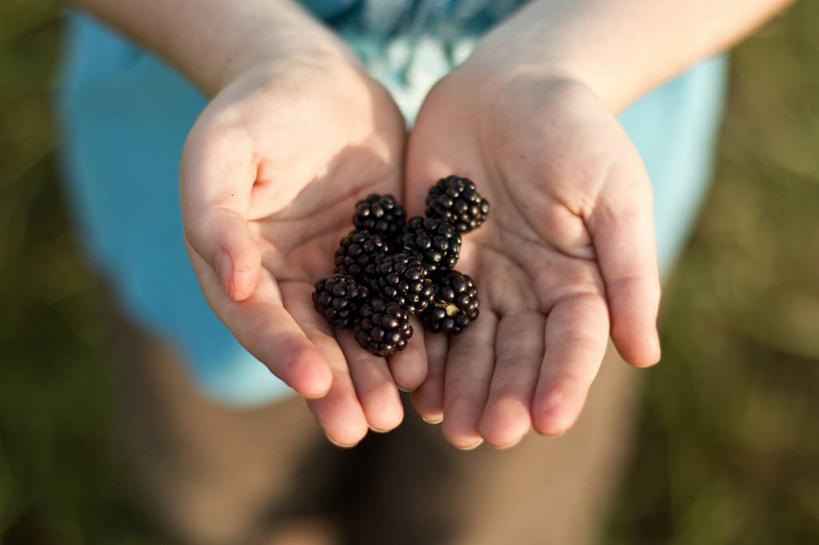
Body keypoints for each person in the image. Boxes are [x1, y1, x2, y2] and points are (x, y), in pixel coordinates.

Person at [58, 0, 794, 543]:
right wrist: (253, 45)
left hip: (574, 161)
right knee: (226, 489)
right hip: (206, 147)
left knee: (491, 509)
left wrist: (570, 57)